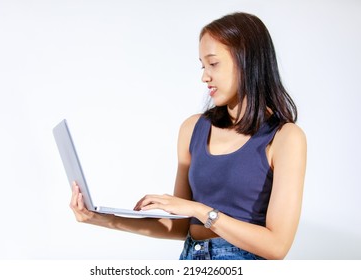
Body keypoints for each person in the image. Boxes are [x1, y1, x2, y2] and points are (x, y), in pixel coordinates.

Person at [70, 12, 307, 260]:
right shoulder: (193, 129)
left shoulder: (285, 137)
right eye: (202, 66)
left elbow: (277, 246)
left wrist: (199, 210)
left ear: (247, 61)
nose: (204, 76)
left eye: (213, 64)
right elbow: (180, 226)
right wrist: (100, 218)